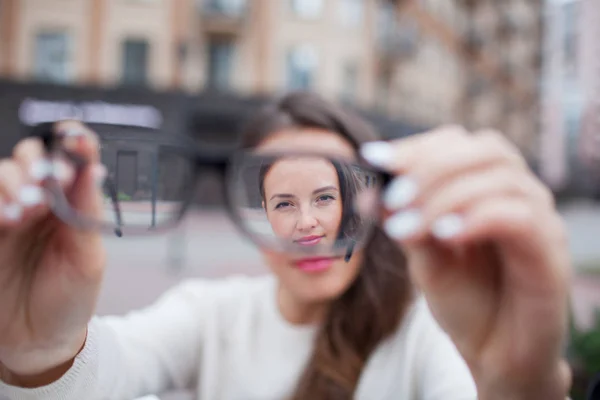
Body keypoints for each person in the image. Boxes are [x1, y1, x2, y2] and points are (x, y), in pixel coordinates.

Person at [0, 92, 571, 400]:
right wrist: (40, 353)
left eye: (325, 197)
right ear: (258, 216)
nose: (308, 226)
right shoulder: (213, 317)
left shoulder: (425, 331)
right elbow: (115, 371)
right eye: (282, 204)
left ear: (365, 201)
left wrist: (519, 392)